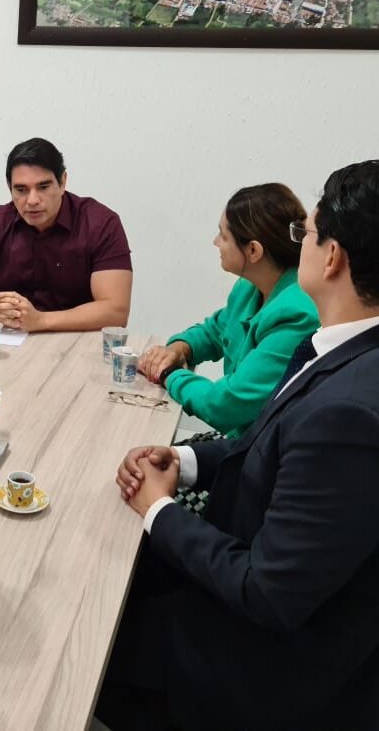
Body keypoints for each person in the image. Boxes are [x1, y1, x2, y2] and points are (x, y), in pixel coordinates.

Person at [100, 161, 379, 731]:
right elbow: (262, 435)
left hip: (270, 669)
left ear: (333, 258)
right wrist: (184, 461)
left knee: (93, 625)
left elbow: (268, 592)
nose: (296, 244)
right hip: (250, 565)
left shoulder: (349, 413)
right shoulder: (341, 348)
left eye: (309, 234)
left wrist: (159, 508)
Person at [138, 183, 318, 436]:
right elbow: (215, 332)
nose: (215, 242)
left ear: (253, 250)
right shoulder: (249, 287)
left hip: (257, 455)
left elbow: (226, 405)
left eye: (223, 235)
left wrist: (168, 373)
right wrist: (178, 349)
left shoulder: (297, 314)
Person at [0, 137, 132, 332]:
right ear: (10, 188)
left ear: (63, 182)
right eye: (21, 190)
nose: (32, 200)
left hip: (75, 344)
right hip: (12, 343)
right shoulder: (0, 221)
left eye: (43, 187)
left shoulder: (101, 223)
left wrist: (41, 321)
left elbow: (115, 311)